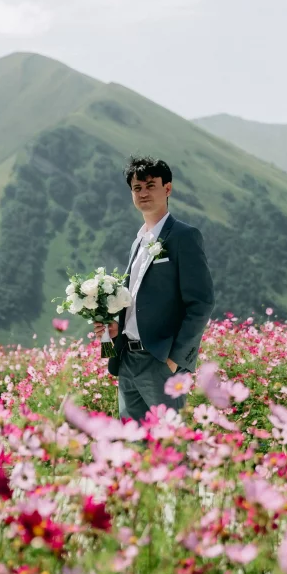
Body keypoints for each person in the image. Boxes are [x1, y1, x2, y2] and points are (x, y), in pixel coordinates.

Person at [94, 156, 215, 423]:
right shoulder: (137, 242)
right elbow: (137, 298)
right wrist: (116, 330)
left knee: (172, 445)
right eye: (137, 188)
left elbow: (202, 303)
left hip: (161, 362)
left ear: (167, 189)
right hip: (126, 359)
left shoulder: (184, 236)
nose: (143, 193)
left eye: (150, 185)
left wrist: (175, 359)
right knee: (135, 447)